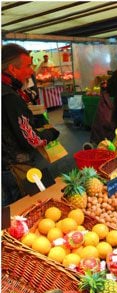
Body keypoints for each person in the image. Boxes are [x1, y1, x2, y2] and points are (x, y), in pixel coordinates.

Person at [2, 43, 60, 205]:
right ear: (13, 69)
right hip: (16, 167)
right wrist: (51, 134)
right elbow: (31, 140)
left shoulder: (8, 90)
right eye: (28, 65)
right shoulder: (9, 97)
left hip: (5, 163)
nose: (32, 71)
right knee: (27, 207)